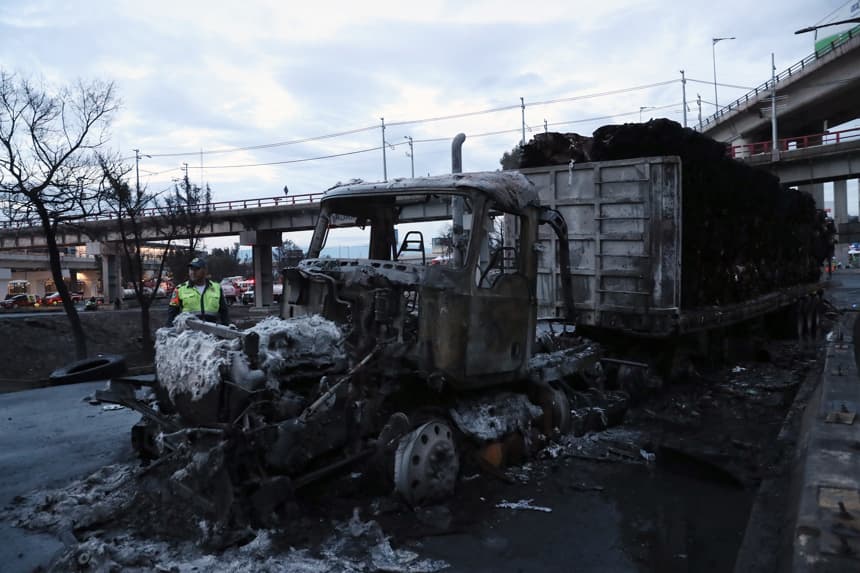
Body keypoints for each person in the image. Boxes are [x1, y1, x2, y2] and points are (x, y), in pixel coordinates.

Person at [167, 257, 230, 326]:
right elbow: (171, 315)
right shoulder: (179, 289)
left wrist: (227, 330)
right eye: (191, 269)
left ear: (205, 270)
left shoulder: (217, 288)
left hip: (212, 333)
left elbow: (224, 313)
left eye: (197, 269)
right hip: (188, 334)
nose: (193, 272)